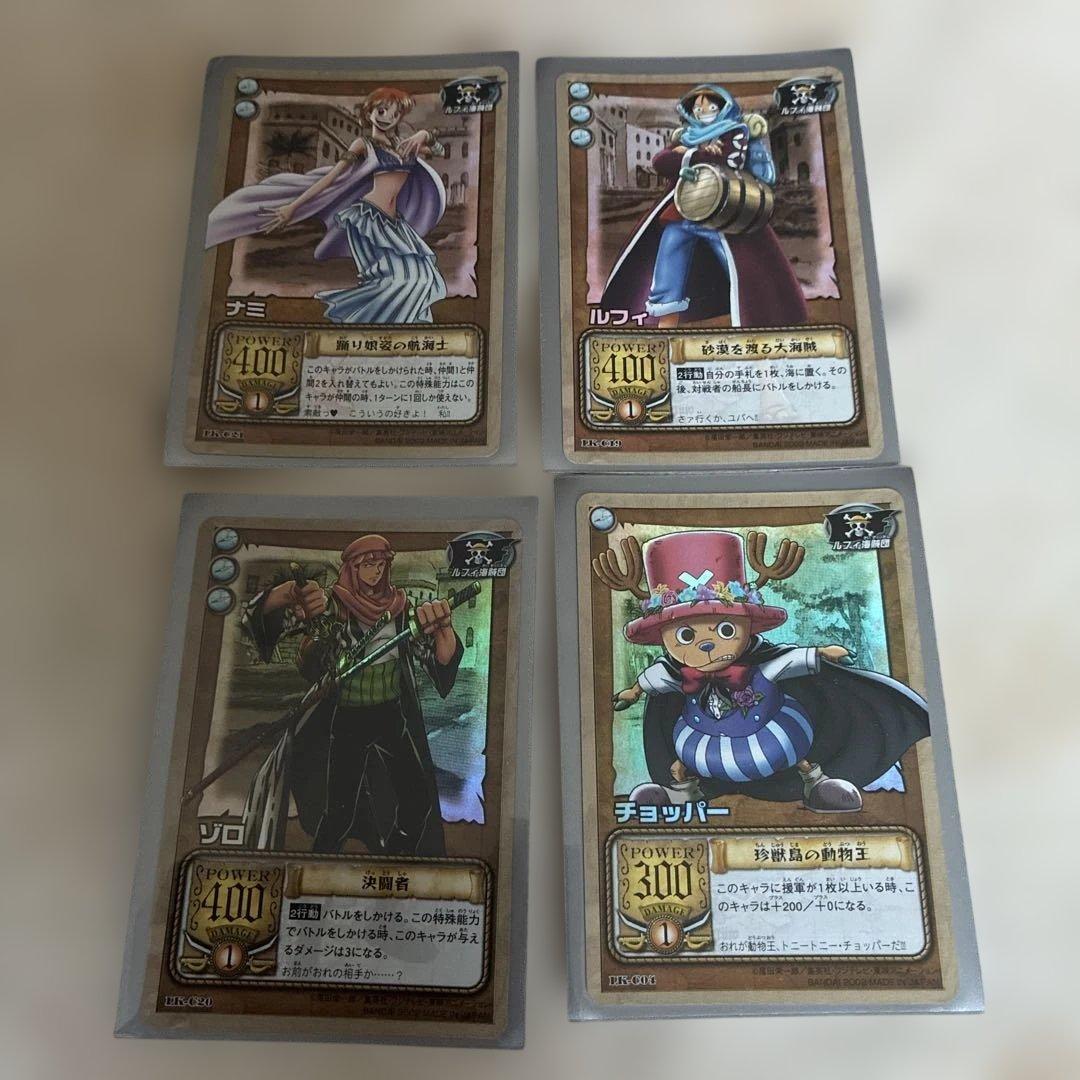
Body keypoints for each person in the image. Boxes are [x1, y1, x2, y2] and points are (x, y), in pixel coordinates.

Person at [241, 534, 462, 854]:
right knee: (339, 814)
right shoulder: (334, 608)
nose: (375, 572)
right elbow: (265, 624)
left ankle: (398, 856)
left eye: (380, 564)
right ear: (353, 568)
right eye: (367, 565)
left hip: (391, 716)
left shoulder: (402, 610)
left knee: (417, 799)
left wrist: (444, 632)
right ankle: (318, 864)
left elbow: (437, 660)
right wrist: (286, 596)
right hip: (349, 719)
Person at [206, 87, 448, 323]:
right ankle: (365, 324)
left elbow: (439, 151)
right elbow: (329, 179)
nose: (388, 118)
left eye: (395, 114)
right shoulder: (363, 145)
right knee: (397, 280)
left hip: (395, 223)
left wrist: (424, 135)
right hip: (368, 220)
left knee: (425, 276)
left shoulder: (404, 145)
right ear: (370, 111)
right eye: (382, 111)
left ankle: (385, 328)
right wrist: (293, 207)